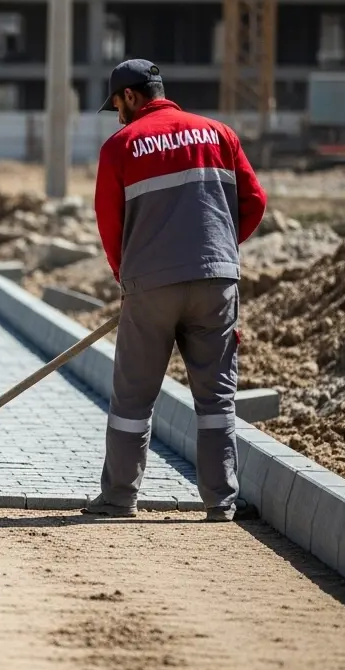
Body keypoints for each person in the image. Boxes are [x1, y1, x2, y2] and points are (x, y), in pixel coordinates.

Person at [82, 59, 266, 523]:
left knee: (133, 397)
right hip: (216, 281)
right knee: (216, 397)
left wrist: (131, 275)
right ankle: (221, 503)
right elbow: (255, 201)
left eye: (117, 105)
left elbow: (110, 223)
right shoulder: (219, 135)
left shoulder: (120, 146)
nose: (117, 115)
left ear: (130, 97)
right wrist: (217, 250)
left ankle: (120, 499)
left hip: (151, 285)